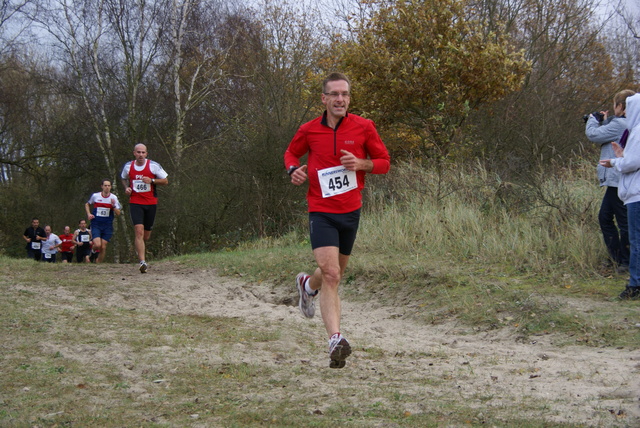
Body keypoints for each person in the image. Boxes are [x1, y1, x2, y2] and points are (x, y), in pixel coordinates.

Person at [283, 72, 391, 368]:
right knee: (331, 274)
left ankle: (307, 286)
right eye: (334, 94)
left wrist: (362, 163)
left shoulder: (364, 127)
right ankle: (335, 340)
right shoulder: (308, 130)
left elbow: (384, 163)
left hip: (350, 211)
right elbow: (292, 152)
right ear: (324, 98)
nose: (340, 99)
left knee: (333, 275)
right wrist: (293, 169)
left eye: (344, 94)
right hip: (321, 210)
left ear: (349, 98)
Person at [585, 89, 636, 273]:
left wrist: (592, 119)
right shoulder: (624, 124)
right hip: (617, 179)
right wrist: (605, 121)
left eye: (615, 104)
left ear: (621, 107)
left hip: (618, 179)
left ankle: (625, 261)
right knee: (606, 218)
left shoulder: (620, 124)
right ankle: (618, 258)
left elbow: (593, 135)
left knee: (622, 221)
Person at [600, 92, 640, 300]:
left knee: (636, 239)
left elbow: (632, 163)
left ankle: (635, 284)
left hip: (636, 194)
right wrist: (621, 156)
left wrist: (615, 162)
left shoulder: (638, 132)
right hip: (633, 192)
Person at [120, 143, 169, 273]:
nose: (140, 155)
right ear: (134, 153)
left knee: (146, 236)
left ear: (146, 154)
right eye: (138, 152)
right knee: (138, 232)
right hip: (135, 202)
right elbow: (123, 178)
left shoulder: (153, 166)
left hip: (151, 203)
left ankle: (142, 254)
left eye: (143, 152)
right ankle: (142, 262)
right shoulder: (128, 166)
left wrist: (152, 181)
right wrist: (127, 188)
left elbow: (165, 180)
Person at [85, 179, 122, 263]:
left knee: (103, 247)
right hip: (96, 223)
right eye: (105, 185)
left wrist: (113, 206)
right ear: (102, 186)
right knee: (98, 245)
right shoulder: (95, 196)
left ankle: (98, 264)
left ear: (111, 187)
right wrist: (89, 214)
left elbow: (118, 213)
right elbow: (87, 204)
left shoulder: (113, 198)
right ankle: (91, 253)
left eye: (109, 186)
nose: (107, 187)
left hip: (107, 225)